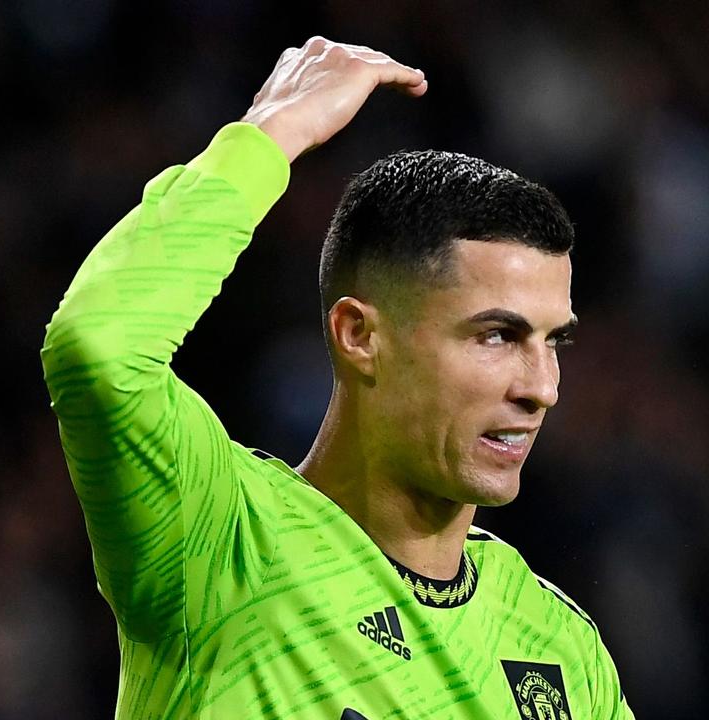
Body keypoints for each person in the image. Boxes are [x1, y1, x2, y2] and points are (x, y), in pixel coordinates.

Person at [41, 37, 634, 719]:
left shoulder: (560, 648)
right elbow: (98, 346)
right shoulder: (219, 540)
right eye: (496, 336)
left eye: (551, 340)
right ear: (360, 336)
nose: (541, 387)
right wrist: (272, 133)